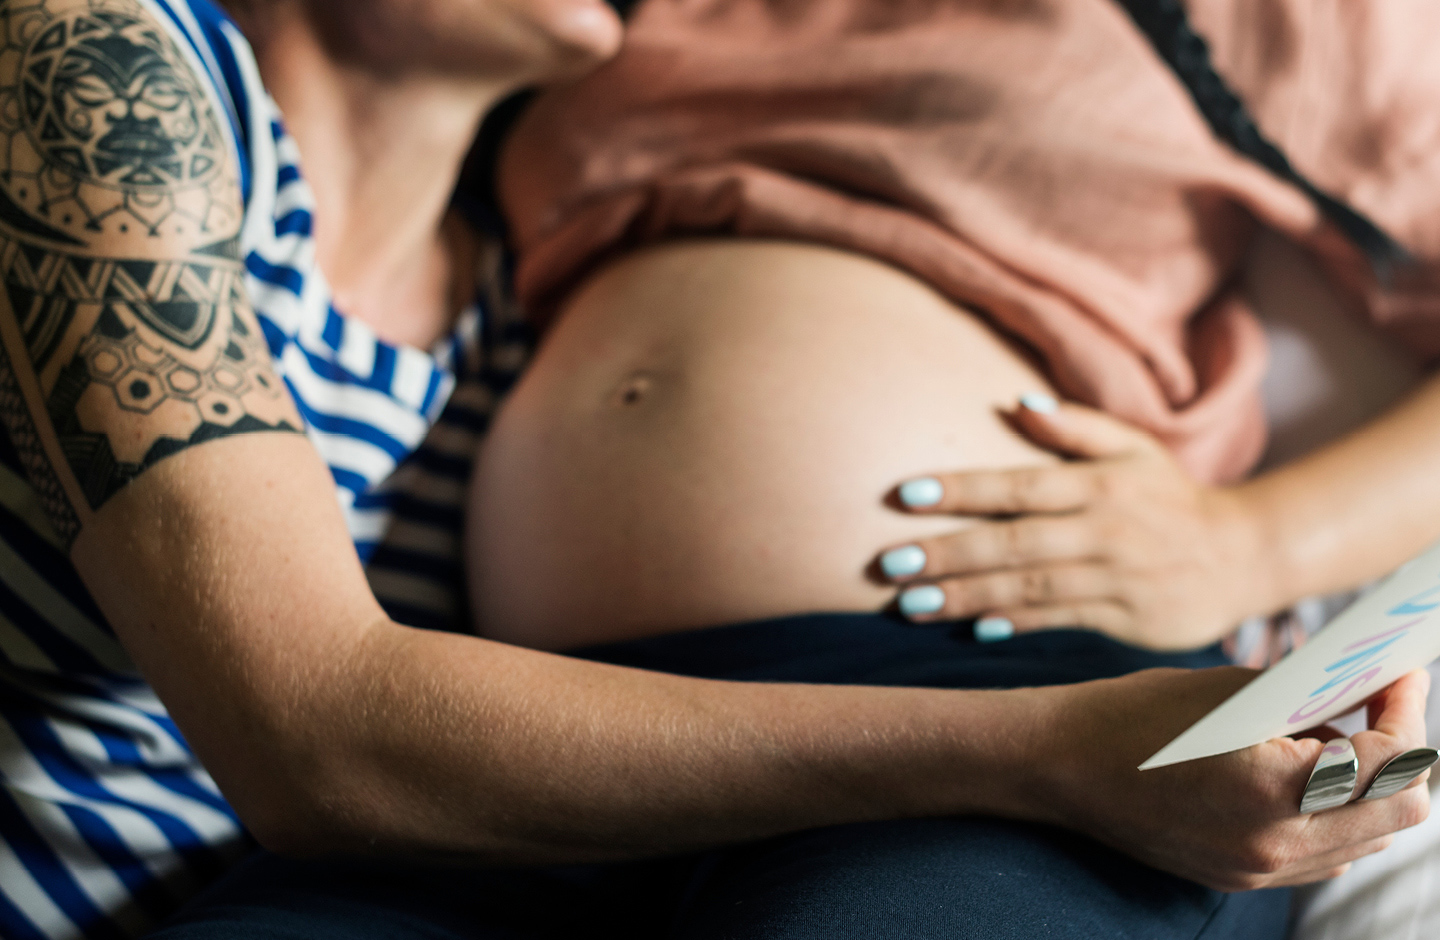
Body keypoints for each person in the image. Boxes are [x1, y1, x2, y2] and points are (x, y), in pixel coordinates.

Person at [0, 2, 1426, 940]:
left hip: (1004, 687)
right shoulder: (582, 50)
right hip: (532, 749)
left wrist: (1252, 544)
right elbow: (321, 724)